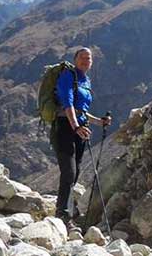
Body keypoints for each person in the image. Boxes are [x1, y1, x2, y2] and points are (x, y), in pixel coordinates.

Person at [52, 47, 111, 221]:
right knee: (69, 171)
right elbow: (67, 104)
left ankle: (69, 209)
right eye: (82, 58)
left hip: (80, 127)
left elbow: (81, 110)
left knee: (76, 170)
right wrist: (76, 127)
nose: (86, 61)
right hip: (65, 126)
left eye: (89, 58)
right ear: (75, 59)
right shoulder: (68, 76)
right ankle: (62, 214)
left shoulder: (86, 81)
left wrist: (99, 122)